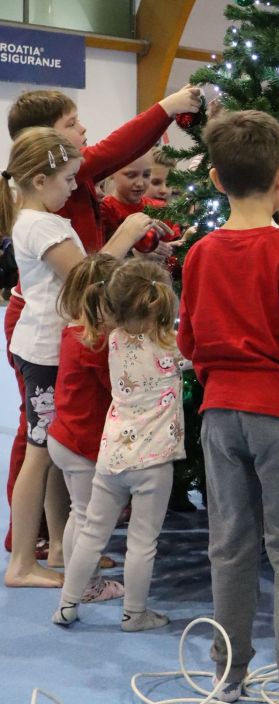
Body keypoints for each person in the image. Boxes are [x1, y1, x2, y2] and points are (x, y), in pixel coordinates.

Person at [177, 110, 279, 704]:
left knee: (231, 546)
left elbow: (189, 343)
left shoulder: (198, 254)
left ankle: (228, 678)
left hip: (220, 416)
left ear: (216, 180)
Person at [4, 84, 201, 555]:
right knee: (41, 441)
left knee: (56, 440)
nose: (84, 131)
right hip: (50, 328)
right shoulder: (47, 207)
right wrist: (166, 109)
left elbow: (106, 216)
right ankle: (31, 539)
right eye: (71, 124)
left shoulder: (59, 196)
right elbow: (85, 275)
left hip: (65, 326)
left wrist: (148, 241)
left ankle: (58, 543)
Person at [53, 258, 184, 631]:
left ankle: (66, 605)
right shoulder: (173, 349)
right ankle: (135, 614)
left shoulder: (109, 340)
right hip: (154, 463)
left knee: (92, 533)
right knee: (143, 542)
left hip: (111, 456)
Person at [1, 129, 86, 588]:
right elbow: (86, 277)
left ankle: (56, 544)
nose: (74, 187)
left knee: (54, 449)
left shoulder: (37, 218)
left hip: (49, 347)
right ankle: (20, 563)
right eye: (69, 179)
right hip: (45, 354)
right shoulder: (42, 224)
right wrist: (129, 235)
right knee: (39, 455)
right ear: (39, 179)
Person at [47, 253, 124, 604]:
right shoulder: (97, 343)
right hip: (81, 444)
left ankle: (79, 573)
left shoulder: (74, 329)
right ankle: (87, 585)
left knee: (80, 514)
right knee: (88, 518)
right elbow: (120, 387)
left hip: (66, 436)